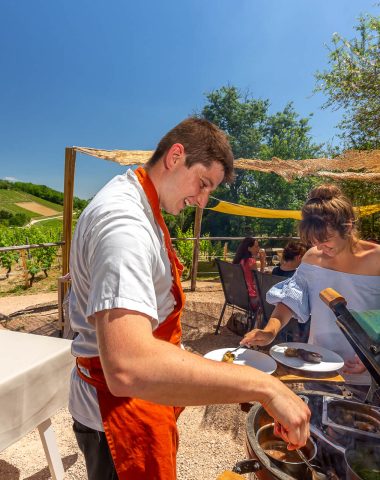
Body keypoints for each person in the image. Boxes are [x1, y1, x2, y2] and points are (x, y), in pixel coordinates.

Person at [68, 117, 310, 480]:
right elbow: (128, 365)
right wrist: (265, 387)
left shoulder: (140, 204)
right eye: (203, 183)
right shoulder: (124, 224)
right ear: (175, 156)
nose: (202, 200)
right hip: (117, 417)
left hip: (139, 404)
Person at [241, 184, 380, 383]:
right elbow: (290, 300)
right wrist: (271, 330)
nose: (320, 248)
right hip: (318, 366)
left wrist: (374, 355)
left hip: (367, 374)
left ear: (347, 227)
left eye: (326, 240)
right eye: (315, 242)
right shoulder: (312, 258)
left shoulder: (376, 260)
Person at [233, 237, 266, 306]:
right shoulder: (251, 262)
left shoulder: (239, 260)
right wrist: (262, 263)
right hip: (251, 299)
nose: (258, 249)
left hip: (238, 297)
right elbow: (259, 281)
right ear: (249, 248)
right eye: (256, 247)